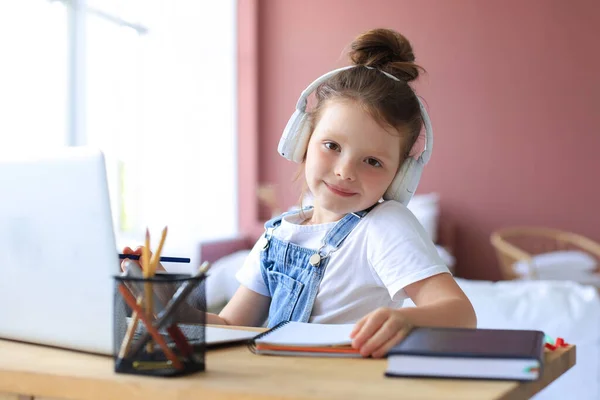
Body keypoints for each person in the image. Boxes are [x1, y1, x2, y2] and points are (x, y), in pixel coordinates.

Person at [122, 28, 476, 358]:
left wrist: (409, 320)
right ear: (301, 141)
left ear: (400, 176)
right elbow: (233, 327)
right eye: (332, 145)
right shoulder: (277, 233)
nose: (345, 171)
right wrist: (172, 304)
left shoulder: (385, 225)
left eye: (372, 161)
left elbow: (461, 313)